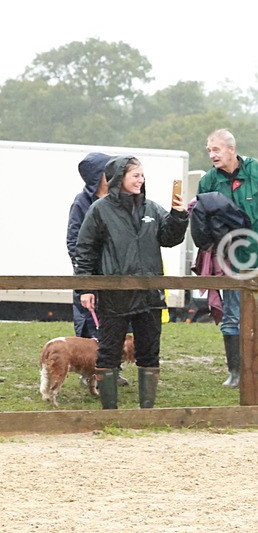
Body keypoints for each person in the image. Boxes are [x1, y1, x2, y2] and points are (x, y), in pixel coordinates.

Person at [74, 156, 190, 409]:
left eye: (142, 175)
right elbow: (85, 250)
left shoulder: (152, 209)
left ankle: (146, 412)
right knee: (108, 353)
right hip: (114, 295)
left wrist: (179, 216)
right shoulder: (100, 210)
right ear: (119, 178)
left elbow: (169, 238)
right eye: (135, 175)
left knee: (149, 353)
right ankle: (110, 413)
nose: (141, 180)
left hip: (149, 295)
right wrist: (85, 287)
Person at [198, 129, 258, 389]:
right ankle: (235, 373)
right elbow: (201, 218)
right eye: (209, 151)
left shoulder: (257, 171)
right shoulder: (208, 181)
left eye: (216, 150)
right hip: (230, 261)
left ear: (231, 149)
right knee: (231, 317)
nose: (212, 155)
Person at [66, 151, 112, 340]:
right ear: (98, 175)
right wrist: (86, 283)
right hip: (89, 279)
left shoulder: (117, 200)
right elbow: (73, 242)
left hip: (113, 280)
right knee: (89, 336)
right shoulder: (81, 202)